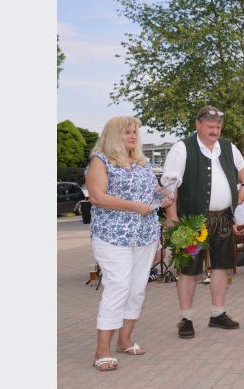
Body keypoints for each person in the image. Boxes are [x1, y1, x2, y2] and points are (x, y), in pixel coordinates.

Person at [86, 116, 172, 371]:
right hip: (112, 235)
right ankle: (102, 351)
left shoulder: (143, 163)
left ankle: (124, 340)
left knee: (136, 289)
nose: (133, 136)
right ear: (113, 135)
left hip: (144, 235)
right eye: (127, 132)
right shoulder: (100, 161)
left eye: (135, 132)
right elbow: (97, 197)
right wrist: (136, 206)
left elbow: (153, 191)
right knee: (119, 286)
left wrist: (165, 193)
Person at [162, 105, 244, 339]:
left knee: (222, 266)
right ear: (198, 125)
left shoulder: (228, 146)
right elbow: (170, 184)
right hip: (193, 221)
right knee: (189, 269)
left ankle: (218, 313)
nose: (215, 131)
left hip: (223, 217)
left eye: (218, 127)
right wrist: (172, 216)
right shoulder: (183, 148)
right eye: (210, 126)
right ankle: (186, 318)